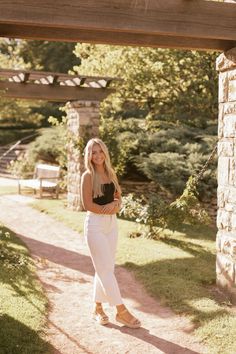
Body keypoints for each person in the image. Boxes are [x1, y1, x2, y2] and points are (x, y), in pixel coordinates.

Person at [81, 137, 141, 328]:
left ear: (105, 152)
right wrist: (107, 208)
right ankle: (121, 311)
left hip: (111, 225)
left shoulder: (110, 172)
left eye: (100, 151)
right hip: (95, 225)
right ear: (89, 156)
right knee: (105, 269)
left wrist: (115, 204)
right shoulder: (87, 176)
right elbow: (87, 205)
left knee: (105, 268)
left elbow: (117, 197)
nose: (97, 155)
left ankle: (97, 308)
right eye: (93, 152)